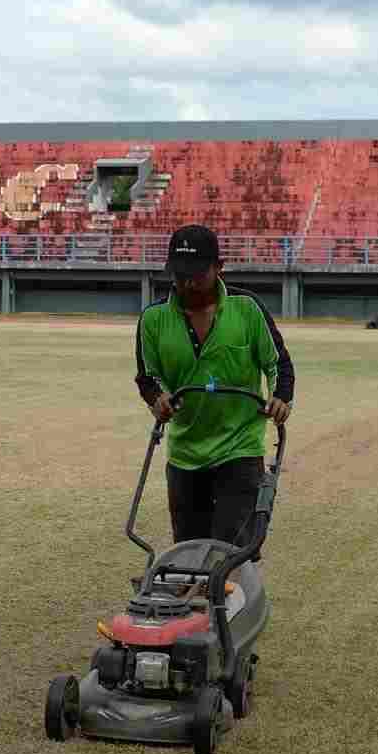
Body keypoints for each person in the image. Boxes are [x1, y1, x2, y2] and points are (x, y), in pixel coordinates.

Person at [135, 224, 295, 547]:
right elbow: (147, 376)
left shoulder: (247, 309)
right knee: (189, 549)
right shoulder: (152, 320)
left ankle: (227, 594)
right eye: (180, 275)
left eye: (197, 273)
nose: (188, 283)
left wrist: (280, 397)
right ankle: (196, 597)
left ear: (219, 268)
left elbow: (278, 363)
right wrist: (157, 398)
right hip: (185, 452)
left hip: (240, 446)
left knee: (230, 548)